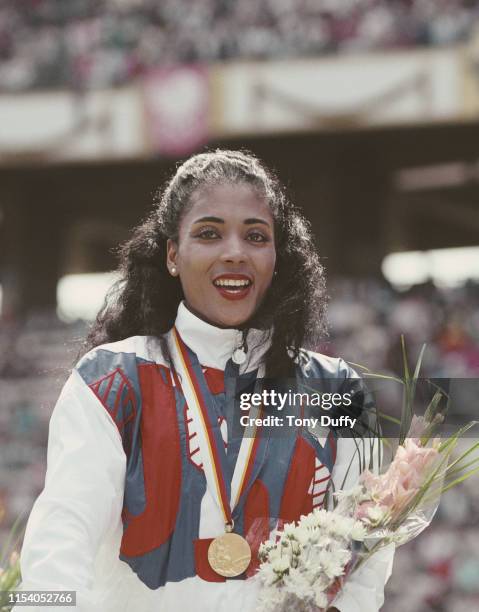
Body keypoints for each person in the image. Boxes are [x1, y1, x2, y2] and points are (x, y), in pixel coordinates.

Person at [17, 150, 394, 612]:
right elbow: (59, 539)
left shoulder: (337, 391)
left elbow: (369, 552)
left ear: (278, 257)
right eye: (209, 233)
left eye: (256, 236)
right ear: (173, 254)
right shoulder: (111, 379)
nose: (235, 252)